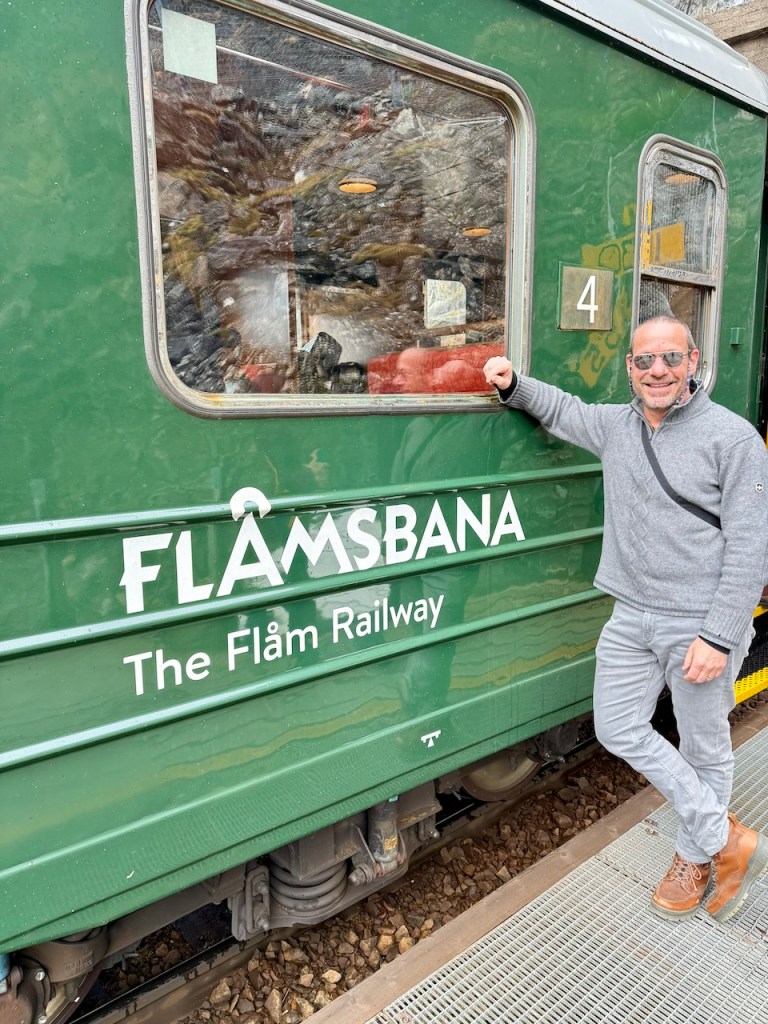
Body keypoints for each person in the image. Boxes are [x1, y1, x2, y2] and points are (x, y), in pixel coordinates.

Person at [484, 315, 768, 923]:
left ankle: (695, 856)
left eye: (670, 358)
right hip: (631, 613)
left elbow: (750, 548)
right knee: (616, 726)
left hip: (698, 620)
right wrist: (514, 384)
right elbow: (561, 410)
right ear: (630, 368)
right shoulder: (617, 426)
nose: (657, 371)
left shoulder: (734, 438)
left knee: (704, 745)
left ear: (693, 362)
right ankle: (725, 837)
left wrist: (718, 635)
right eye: (644, 361)